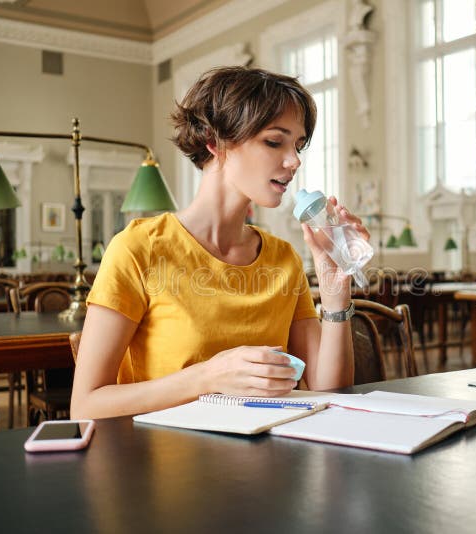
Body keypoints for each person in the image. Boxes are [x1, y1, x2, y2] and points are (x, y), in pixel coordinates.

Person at [71, 66, 367, 419]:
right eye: (275, 141)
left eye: (298, 145)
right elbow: (85, 405)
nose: (294, 161)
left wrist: (336, 293)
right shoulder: (140, 248)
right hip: (165, 462)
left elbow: (330, 392)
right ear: (216, 142)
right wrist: (209, 376)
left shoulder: (283, 258)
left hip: (268, 460)